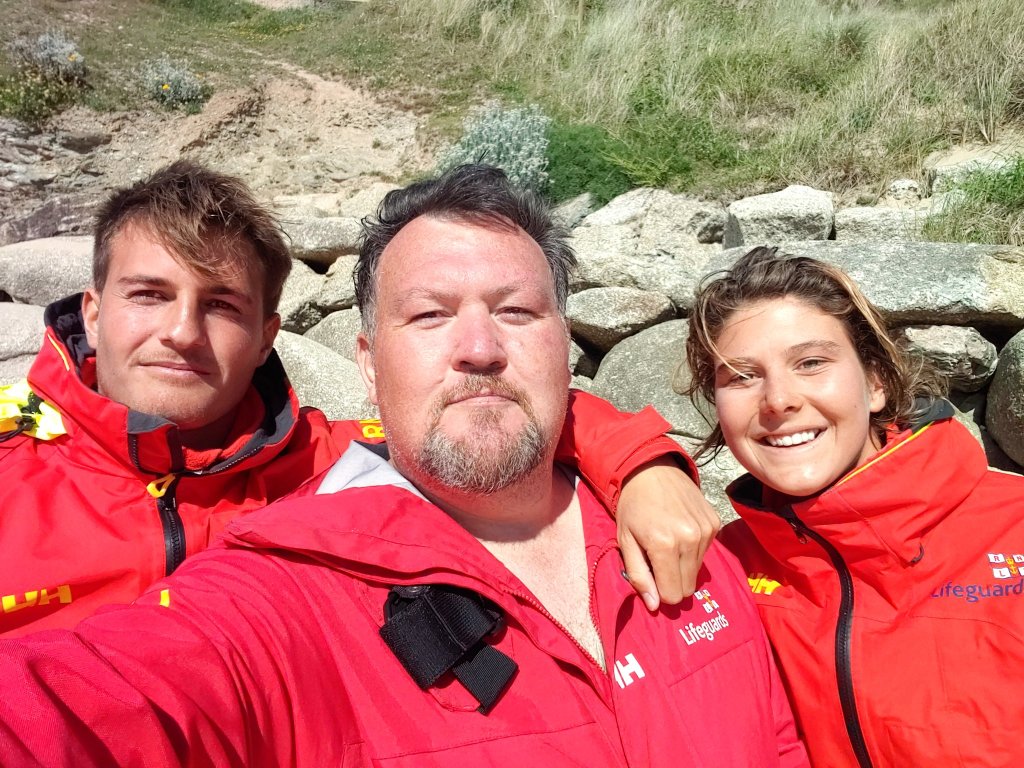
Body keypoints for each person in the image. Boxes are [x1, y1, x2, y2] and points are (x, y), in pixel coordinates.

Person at [0, 165, 807, 767]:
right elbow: (90, 703)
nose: (481, 349)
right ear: (367, 361)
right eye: (429, 315)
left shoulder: (696, 554)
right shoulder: (286, 570)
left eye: (518, 312)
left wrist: (642, 459)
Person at [0, 160, 717, 637]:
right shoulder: (11, 464)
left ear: (266, 334)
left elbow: (485, 405)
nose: (183, 332)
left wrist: (646, 468)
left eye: (221, 305)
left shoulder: (328, 457)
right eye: (149, 296)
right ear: (92, 311)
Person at [683, 245, 1024, 768]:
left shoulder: (1013, 523)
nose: (778, 400)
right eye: (742, 376)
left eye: (812, 363)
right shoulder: (721, 569)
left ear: (875, 382)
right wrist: (644, 469)